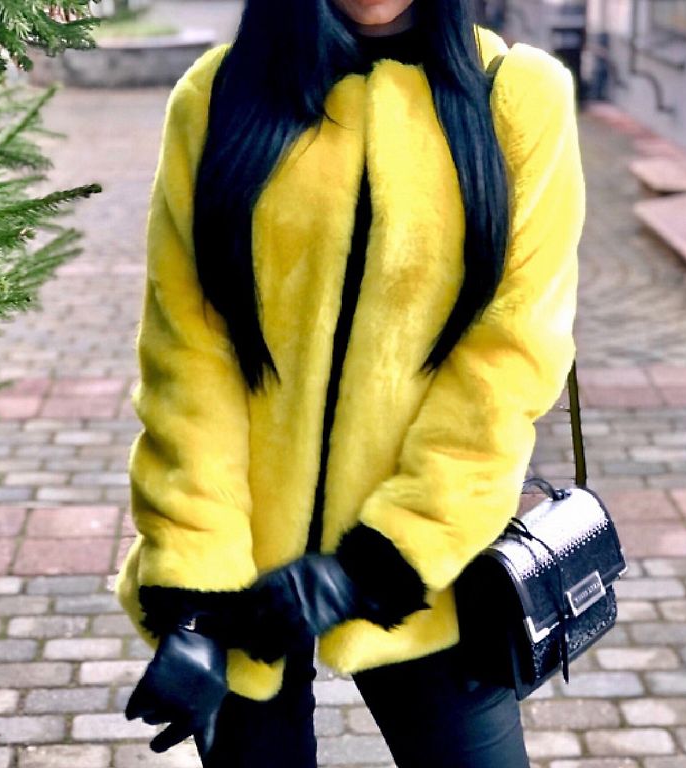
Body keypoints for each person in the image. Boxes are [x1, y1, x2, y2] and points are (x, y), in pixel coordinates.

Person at [115, 0, 586, 765]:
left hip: (429, 576)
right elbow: (187, 355)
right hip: (242, 585)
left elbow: (509, 361)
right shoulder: (215, 96)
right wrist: (194, 595)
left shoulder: (516, 95)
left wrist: (377, 566)